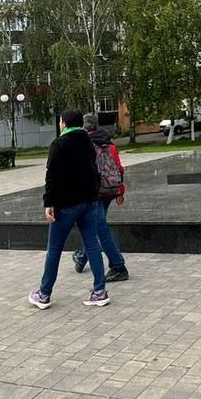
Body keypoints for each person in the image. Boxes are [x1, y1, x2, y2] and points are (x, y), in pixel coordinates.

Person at [28, 109, 110, 309]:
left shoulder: (59, 144)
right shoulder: (88, 142)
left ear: (63, 123)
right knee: (92, 245)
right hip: (90, 202)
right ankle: (100, 291)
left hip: (66, 204)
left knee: (54, 249)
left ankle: (44, 294)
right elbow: (94, 171)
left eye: (60, 121)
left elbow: (52, 176)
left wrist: (49, 203)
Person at [71, 113, 130, 282]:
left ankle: (118, 266)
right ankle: (82, 257)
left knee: (100, 229)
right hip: (110, 190)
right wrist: (120, 191)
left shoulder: (85, 144)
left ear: (84, 127)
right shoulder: (108, 143)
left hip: (95, 193)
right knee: (95, 225)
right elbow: (118, 168)